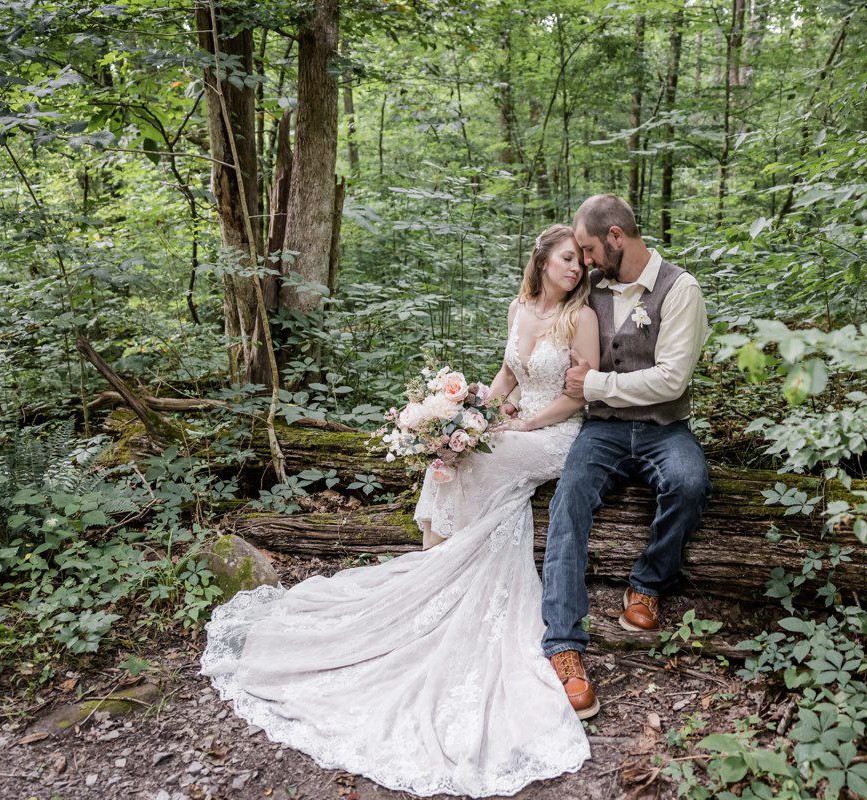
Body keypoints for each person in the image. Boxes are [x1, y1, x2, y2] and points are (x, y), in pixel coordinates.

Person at [200, 224, 600, 798]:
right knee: (456, 454)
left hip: (557, 434)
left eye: (579, 263)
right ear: (541, 261)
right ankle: (434, 561)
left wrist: (520, 424)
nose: (575, 269)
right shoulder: (521, 307)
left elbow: (577, 395)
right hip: (515, 421)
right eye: (566, 259)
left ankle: (444, 564)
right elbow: (508, 376)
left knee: (481, 461)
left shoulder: (580, 318)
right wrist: (474, 414)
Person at [540, 194, 711, 720]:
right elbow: (544, 317)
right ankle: (564, 643)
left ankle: (647, 585)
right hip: (603, 431)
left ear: (616, 237)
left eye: (589, 248)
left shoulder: (681, 290)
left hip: (663, 428)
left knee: (690, 482)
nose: (584, 260)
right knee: (568, 502)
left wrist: (593, 383)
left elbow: (671, 379)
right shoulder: (591, 288)